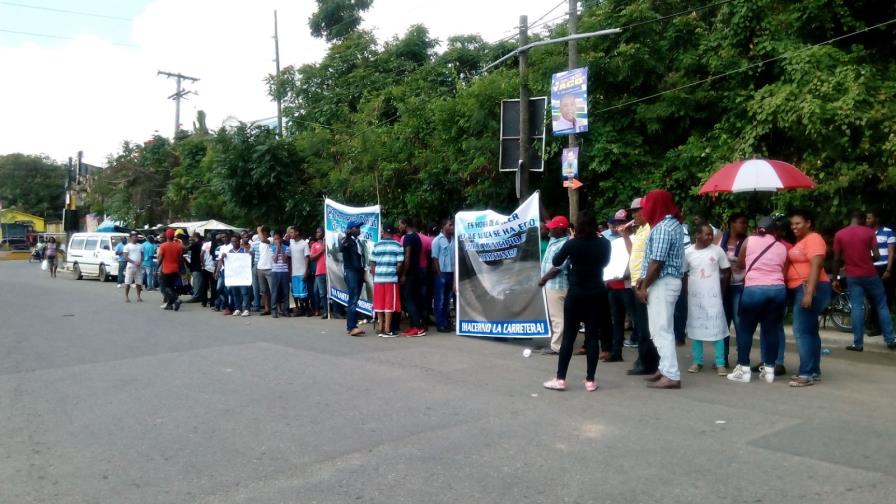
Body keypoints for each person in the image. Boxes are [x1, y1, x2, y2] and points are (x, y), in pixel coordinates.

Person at [542, 211, 610, 392]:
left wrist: (573, 248)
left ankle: (560, 379)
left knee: (569, 338)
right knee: (592, 336)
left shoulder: (572, 244)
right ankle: (590, 380)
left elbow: (556, 261)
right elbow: (605, 262)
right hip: (596, 292)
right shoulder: (604, 243)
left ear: (577, 226)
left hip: (576, 294)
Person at [727, 217, 788, 384]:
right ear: (774, 231)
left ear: (757, 229)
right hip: (777, 290)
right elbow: (784, 270)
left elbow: (740, 264)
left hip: (754, 290)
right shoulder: (782, 247)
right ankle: (769, 371)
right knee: (771, 330)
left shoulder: (749, 240)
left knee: (746, 329)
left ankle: (743, 369)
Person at [635, 190, 686, 389]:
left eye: (647, 204)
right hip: (667, 282)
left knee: (661, 330)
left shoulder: (663, 228)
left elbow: (657, 262)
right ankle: (664, 368)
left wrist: (644, 285)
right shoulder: (672, 224)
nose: (645, 209)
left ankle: (671, 374)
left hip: (663, 282)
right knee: (662, 328)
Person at [833, 212, 896, 351]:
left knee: (856, 307)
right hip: (870, 274)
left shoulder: (840, 234)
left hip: (852, 276)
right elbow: (877, 255)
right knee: (881, 305)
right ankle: (890, 339)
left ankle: (858, 344)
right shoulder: (869, 232)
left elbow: (836, 259)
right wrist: (867, 260)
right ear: (861, 220)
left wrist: (835, 278)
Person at [786, 211, 832, 387]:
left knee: (802, 331)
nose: (794, 227)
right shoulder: (802, 241)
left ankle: (805, 374)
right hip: (803, 287)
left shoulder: (814, 238)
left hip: (810, 287)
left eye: (798, 223)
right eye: (792, 224)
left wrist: (809, 292)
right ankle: (813, 370)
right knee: (810, 331)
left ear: (808, 223)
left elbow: (816, 265)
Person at [683, 223, 731, 374]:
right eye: (706, 234)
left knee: (717, 328)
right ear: (697, 235)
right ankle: (697, 361)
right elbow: (684, 273)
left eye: (711, 234)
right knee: (696, 328)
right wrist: (686, 291)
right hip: (695, 298)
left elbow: (727, 270)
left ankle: (720, 363)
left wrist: (722, 292)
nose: (710, 237)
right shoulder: (688, 252)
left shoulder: (718, 251)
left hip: (714, 298)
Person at [625, 197, 659, 375]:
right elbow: (633, 254)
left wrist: (644, 284)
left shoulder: (651, 229)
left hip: (643, 284)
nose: (633, 214)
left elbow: (653, 259)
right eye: (632, 211)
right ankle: (644, 359)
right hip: (635, 283)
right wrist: (625, 235)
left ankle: (647, 362)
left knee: (645, 326)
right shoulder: (639, 231)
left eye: (637, 211)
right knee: (640, 324)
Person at [602, 209, 633, 362]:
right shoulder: (614, 242)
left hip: (629, 286)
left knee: (638, 321)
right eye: (617, 223)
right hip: (614, 285)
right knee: (617, 321)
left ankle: (646, 357)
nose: (620, 225)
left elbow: (635, 259)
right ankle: (616, 352)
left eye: (622, 222)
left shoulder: (634, 239)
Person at [539, 216, 571, 355]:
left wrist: (544, 279)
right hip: (553, 285)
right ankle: (559, 344)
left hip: (557, 285)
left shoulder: (565, 244)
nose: (549, 229)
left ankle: (557, 347)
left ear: (560, 229)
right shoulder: (555, 239)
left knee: (558, 318)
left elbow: (558, 267)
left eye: (553, 227)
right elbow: (546, 221)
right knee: (557, 317)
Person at [720, 213, 748, 369]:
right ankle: (722, 358)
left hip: (739, 285)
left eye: (745, 223)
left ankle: (742, 359)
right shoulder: (720, 239)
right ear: (732, 223)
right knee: (723, 323)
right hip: (723, 285)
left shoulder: (747, 241)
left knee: (739, 323)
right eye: (741, 222)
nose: (744, 225)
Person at [371, 226, 404, 337]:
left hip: (378, 279)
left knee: (379, 303)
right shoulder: (398, 245)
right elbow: (400, 265)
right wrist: (395, 273)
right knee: (389, 304)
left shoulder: (377, 245)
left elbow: (372, 263)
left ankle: (380, 328)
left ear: (383, 232)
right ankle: (387, 329)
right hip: (391, 279)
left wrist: (376, 275)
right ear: (393, 232)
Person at [866, 211, 894, 333]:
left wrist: (889, 269)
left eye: (869, 218)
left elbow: (892, 252)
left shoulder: (888, 232)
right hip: (871, 268)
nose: (867, 220)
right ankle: (875, 325)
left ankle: (882, 327)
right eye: (866, 218)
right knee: (872, 298)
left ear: (876, 219)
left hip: (883, 267)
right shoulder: (866, 234)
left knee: (885, 298)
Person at [399, 218, 426, 337]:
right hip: (418, 271)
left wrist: (404, 274)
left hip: (410, 273)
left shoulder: (408, 238)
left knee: (409, 299)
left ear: (405, 224)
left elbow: (407, 257)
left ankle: (417, 327)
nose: (399, 227)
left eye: (400, 224)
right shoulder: (416, 236)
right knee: (414, 299)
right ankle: (414, 325)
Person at [341, 221, 367, 336]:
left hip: (359, 272)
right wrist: (347, 235)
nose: (359, 229)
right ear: (350, 229)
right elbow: (341, 247)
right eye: (356, 227)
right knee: (353, 299)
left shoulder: (358, 242)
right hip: (351, 272)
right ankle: (352, 327)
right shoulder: (347, 241)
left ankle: (351, 326)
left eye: (359, 227)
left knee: (355, 299)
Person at [431, 218, 456, 333]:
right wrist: (439, 273)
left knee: (447, 300)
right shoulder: (437, 240)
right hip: (442, 274)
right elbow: (435, 258)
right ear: (444, 226)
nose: (452, 227)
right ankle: (440, 324)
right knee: (439, 300)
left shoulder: (453, 240)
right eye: (450, 225)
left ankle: (446, 323)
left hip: (451, 273)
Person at [218, 236, 251, 317]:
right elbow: (226, 265)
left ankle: (246, 309)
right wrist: (223, 258)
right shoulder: (229, 252)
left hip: (243, 276)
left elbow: (249, 260)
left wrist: (249, 253)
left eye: (236, 241)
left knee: (244, 292)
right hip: (234, 276)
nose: (234, 243)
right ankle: (238, 308)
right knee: (235, 293)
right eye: (232, 241)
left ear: (239, 242)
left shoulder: (244, 251)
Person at [157, 229, 184, 311]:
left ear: (166, 236)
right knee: (171, 287)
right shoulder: (179, 246)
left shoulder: (163, 246)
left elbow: (161, 259)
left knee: (164, 287)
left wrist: (156, 268)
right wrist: (180, 269)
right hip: (175, 269)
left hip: (166, 270)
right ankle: (169, 305)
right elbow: (180, 260)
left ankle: (176, 299)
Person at [288, 227, 311, 316]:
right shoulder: (292, 244)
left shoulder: (304, 244)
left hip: (302, 271)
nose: (290, 234)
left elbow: (307, 258)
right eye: (290, 232)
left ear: (297, 232)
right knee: (296, 293)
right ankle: (301, 309)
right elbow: (290, 258)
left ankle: (307, 309)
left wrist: (306, 270)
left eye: (292, 232)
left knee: (303, 293)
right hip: (294, 272)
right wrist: (290, 271)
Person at [270, 231, 292, 318]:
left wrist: (281, 249)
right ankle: (274, 310)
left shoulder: (287, 248)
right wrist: (277, 249)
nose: (277, 241)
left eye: (278, 239)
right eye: (275, 239)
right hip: (275, 272)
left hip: (284, 272)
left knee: (286, 292)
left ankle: (286, 310)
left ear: (281, 239)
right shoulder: (271, 248)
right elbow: (274, 260)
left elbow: (284, 260)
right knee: (275, 292)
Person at [252, 226, 273, 315]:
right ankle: (267, 308)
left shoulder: (271, 240)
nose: (260, 234)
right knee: (263, 291)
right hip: (260, 268)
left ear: (265, 233)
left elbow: (264, 240)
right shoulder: (259, 243)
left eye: (261, 232)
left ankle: (275, 308)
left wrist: (259, 230)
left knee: (273, 290)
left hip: (270, 268)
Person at [310, 227, 328, 318]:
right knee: (322, 293)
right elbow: (312, 258)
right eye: (316, 232)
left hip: (330, 271)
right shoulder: (314, 245)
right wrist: (321, 251)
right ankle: (325, 311)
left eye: (319, 232)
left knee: (332, 292)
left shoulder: (328, 243)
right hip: (320, 271)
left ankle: (336, 311)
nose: (317, 233)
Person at [122, 232, 144, 303]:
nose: (136, 238)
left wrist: (140, 262)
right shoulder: (127, 246)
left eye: (136, 236)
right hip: (130, 266)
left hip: (139, 266)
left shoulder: (140, 246)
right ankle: (126, 297)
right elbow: (125, 257)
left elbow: (142, 255)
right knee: (128, 282)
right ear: (130, 238)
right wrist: (134, 262)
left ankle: (139, 297)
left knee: (139, 282)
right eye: (134, 237)